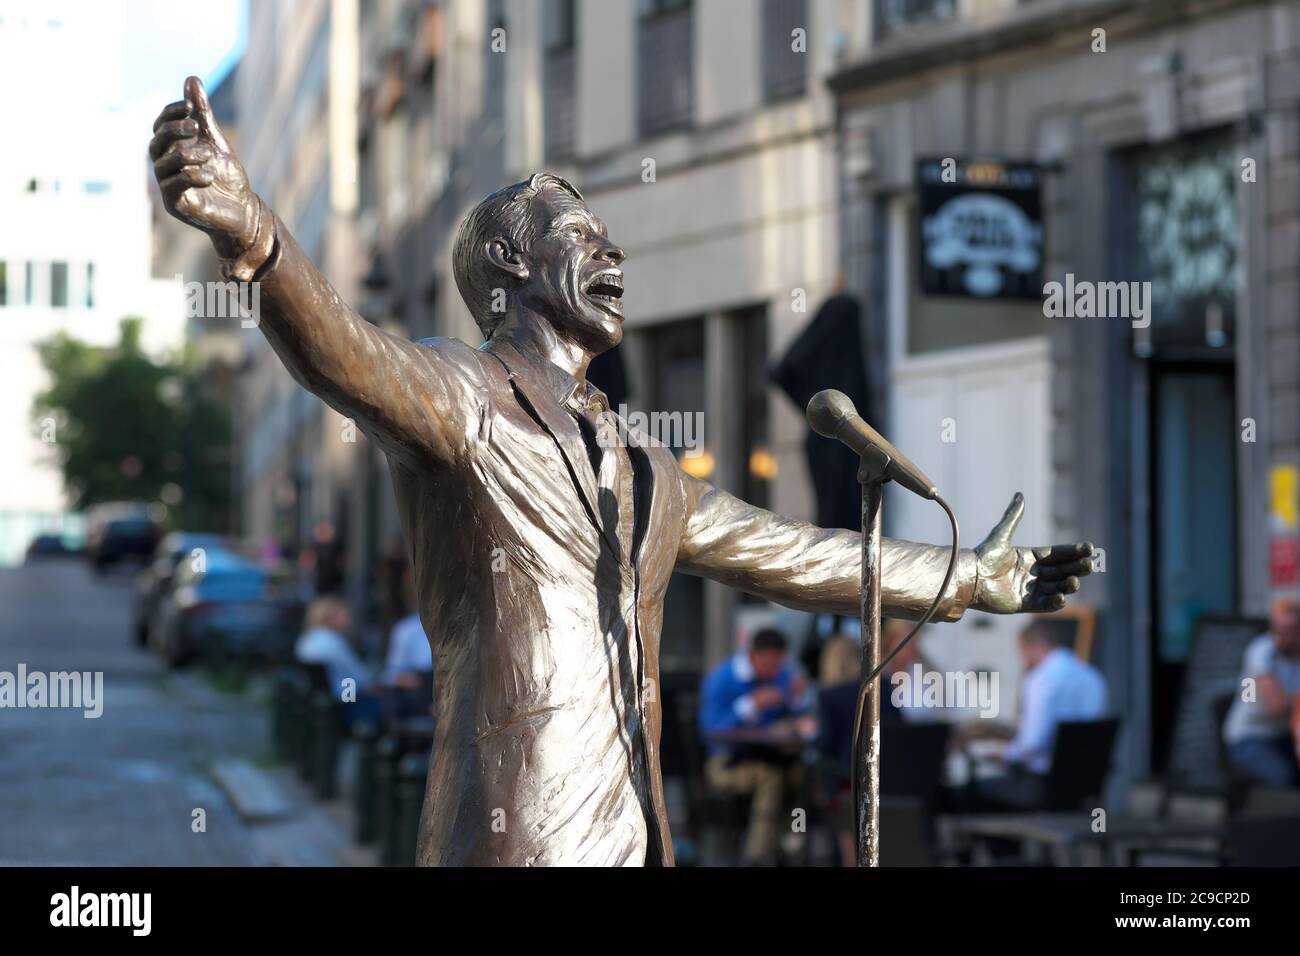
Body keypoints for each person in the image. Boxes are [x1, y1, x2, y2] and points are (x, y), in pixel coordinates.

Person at [151, 77, 1096, 866]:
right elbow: (347, 355)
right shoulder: (463, 397)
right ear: (511, 263)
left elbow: (803, 555)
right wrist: (259, 242)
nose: (614, 252)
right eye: (581, 233)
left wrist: (967, 576)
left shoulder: (648, 468)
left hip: (638, 833)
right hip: (515, 834)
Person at [961, 617, 1107, 810]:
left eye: (1022, 652)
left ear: (1033, 645)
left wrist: (1004, 754)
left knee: (965, 793)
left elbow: (1033, 743)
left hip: (1041, 787)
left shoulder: (1041, 679)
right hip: (1083, 788)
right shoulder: (1093, 676)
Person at [699, 629, 809, 865]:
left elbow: (796, 713)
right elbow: (711, 730)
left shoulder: (781, 676)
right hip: (725, 763)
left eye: (778, 664)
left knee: (802, 775)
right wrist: (751, 705)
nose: (774, 671)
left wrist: (798, 699)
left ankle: (794, 841)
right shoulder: (723, 678)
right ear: (755, 655)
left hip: (770, 756)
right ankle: (757, 855)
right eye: (769, 664)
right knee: (769, 778)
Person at [1223, 597, 1300, 788]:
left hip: (1283, 736)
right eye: (1278, 630)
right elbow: (1276, 706)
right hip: (1248, 738)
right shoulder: (1261, 651)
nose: (1283, 637)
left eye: (1291, 631)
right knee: (1283, 778)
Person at [294, 597, 380, 727]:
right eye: (344, 615)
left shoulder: (306, 639)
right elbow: (360, 677)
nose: (348, 619)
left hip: (316, 702)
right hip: (344, 702)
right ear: (329, 617)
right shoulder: (333, 641)